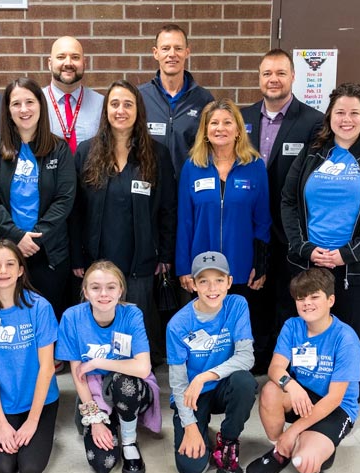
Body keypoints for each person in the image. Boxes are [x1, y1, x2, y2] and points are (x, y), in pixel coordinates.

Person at [281, 82, 360, 393]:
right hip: (310, 264)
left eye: (354, 112)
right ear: (329, 116)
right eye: (340, 112)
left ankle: (347, 399)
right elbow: (289, 201)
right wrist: (305, 248)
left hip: (358, 269)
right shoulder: (312, 154)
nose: (346, 119)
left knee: (353, 334)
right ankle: (307, 393)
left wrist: (347, 253)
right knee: (311, 330)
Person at [71, 80, 176, 362]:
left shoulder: (157, 154)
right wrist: (77, 257)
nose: (121, 110)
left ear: (138, 111)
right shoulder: (85, 153)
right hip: (98, 257)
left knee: (137, 326)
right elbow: (76, 210)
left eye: (128, 104)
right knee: (101, 325)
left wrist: (165, 254)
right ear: (105, 111)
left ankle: (138, 381)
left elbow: (167, 208)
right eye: (114, 104)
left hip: (140, 259)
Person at [241, 48, 323, 373]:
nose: (273, 79)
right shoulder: (243, 118)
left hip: (293, 228)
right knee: (254, 294)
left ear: (292, 77)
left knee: (289, 296)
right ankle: (260, 357)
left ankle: (287, 360)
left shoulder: (313, 122)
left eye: (280, 73)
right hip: (251, 227)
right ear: (259, 78)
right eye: (266, 73)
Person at [175, 98, 271, 366]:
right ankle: (208, 374)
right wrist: (184, 267)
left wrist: (260, 263)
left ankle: (238, 375)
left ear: (239, 129)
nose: (220, 128)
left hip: (240, 265)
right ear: (205, 130)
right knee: (207, 328)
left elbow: (262, 220)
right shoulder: (192, 168)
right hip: (202, 267)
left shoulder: (254, 166)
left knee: (238, 327)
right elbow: (184, 221)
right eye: (214, 123)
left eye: (227, 122)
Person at [245, 268, 360, 473]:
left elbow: (335, 398)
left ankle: (307, 443)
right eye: (301, 298)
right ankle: (279, 450)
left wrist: (292, 431)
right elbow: (275, 369)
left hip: (335, 408)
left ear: (330, 300)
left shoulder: (346, 339)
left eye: (314, 296)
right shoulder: (292, 326)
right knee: (270, 390)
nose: (307, 303)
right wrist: (292, 386)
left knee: (307, 465)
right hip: (303, 397)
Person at [0, 77, 76, 318]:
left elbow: (65, 198)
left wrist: (36, 237)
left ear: (41, 105)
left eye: (30, 102)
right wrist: (16, 236)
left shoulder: (58, 149)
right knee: (4, 315)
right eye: (16, 104)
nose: (24, 109)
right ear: (8, 110)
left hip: (47, 249)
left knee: (46, 316)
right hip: (5, 249)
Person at [57, 261, 161, 473]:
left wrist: (97, 362)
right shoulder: (72, 318)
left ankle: (130, 441)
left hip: (131, 387)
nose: (103, 293)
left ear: (120, 290)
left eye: (111, 287)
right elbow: (79, 376)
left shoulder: (131, 314)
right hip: (94, 393)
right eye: (95, 287)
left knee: (123, 381)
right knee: (103, 464)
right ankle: (108, 419)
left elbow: (142, 368)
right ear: (85, 292)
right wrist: (94, 419)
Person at [0, 239, 59, 473]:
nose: (3, 271)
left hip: (39, 401)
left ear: (21, 270)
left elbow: (47, 368)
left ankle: (43, 429)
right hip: (6, 401)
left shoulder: (39, 307)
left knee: (29, 469)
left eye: (10, 264)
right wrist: (0, 422)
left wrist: (32, 422)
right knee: (2, 469)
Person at [167, 252, 257, 473]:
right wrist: (189, 426)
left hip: (220, 385)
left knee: (245, 382)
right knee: (192, 469)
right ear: (193, 284)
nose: (212, 288)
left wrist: (203, 377)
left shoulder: (237, 305)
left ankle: (227, 440)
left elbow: (246, 357)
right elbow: (178, 383)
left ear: (229, 282)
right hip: (191, 396)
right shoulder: (178, 324)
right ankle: (200, 426)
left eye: (218, 279)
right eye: (203, 281)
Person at [139, 24, 214, 178]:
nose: (172, 54)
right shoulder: (140, 97)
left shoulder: (204, 100)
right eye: (166, 48)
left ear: (187, 52)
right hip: (150, 189)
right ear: (156, 53)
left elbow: (211, 149)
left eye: (178, 48)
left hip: (189, 188)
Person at [42, 36, 105, 153]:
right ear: (50, 63)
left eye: (75, 57)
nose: (68, 63)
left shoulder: (101, 103)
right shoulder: (36, 102)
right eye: (61, 57)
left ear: (84, 63)